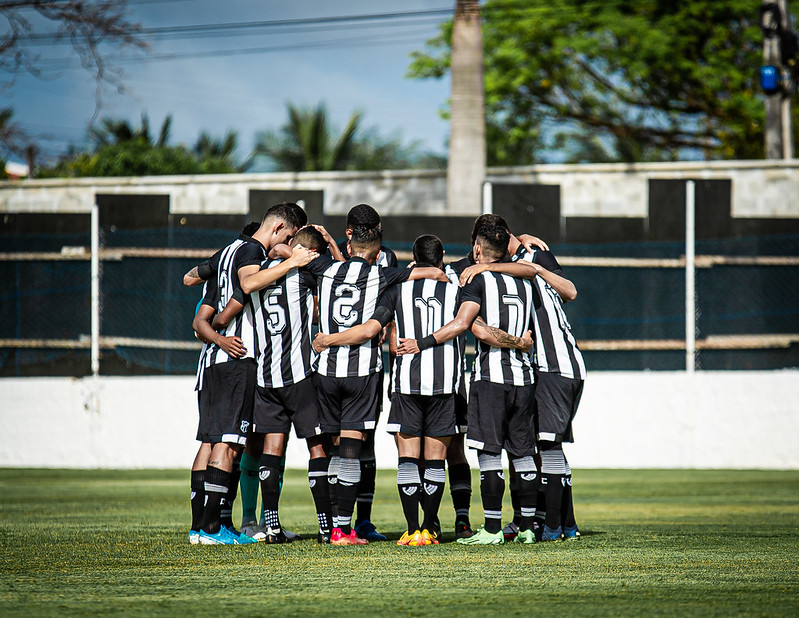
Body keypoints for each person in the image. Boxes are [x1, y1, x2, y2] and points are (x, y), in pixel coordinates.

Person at [304, 225, 448, 546]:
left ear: (350, 245)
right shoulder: (384, 275)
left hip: (325, 372)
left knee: (335, 452)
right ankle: (344, 529)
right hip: (362, 373)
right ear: (377, 252)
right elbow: (431, 274)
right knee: (353, 452)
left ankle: (330, 528)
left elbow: (293, 255)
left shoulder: (324, 269)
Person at [397, 225, 539, 545]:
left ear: (476, 248)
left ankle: (460, 523)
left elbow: (472, 326)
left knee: (449, 452)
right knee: (506, 452)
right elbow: (530, 267)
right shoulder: (523, 281)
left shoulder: (468, 275)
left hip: (458, 378)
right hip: (514, 377)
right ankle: (525, 525)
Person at [192, 203, 304, 545]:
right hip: (236, 360)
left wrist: (218, 334)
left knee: (208, 442)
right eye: (287, 235)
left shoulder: (223, 260)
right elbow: (251, 281)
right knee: (228, 442)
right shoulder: (252, 251)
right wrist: (293, 261)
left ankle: (202, 528)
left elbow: (195, 299)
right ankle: (212, 530)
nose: (284, 242)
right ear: (279, 227)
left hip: (209, 361)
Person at [229, 226, 334, 544]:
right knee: (317, 447)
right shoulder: (305, 274)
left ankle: (270, 525)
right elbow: (332, 271)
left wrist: (280, 252)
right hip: (300, 375)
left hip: (265, 378)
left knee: (272, 448)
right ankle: (326, 527)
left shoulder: (257, 273)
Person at [335, 203, 397, 539]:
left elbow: (395, 309)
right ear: (351, 233)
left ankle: (362, 520)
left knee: (366, 440)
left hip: (369, 364)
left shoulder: (386, 259)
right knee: (338, 441)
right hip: (337, 362)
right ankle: (334, 521)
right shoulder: (333, 259)